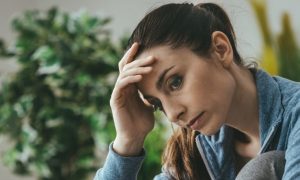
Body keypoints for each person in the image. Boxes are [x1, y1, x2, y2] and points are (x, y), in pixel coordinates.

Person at [94, 2, 300, 180]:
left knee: (264, 167)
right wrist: (128, 141)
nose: (173, 114)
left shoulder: (296, 115)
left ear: (220, 49)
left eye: (175, 82)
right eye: (157, 104)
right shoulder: (193, 153)